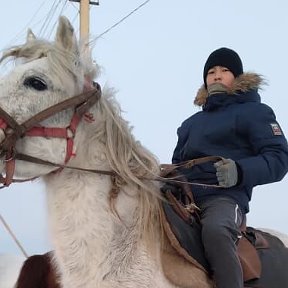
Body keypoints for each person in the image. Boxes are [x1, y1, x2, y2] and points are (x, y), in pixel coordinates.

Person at [170, 47, 288, 288]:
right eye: (211, 71)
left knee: (216, 230)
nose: (216, 75)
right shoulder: (190, 124)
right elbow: (177, 162)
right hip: (183, 196)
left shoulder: (255, 112)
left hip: (224, 198)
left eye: (224, 70)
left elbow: (279, 157)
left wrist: (239, 171)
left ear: (237, 77)